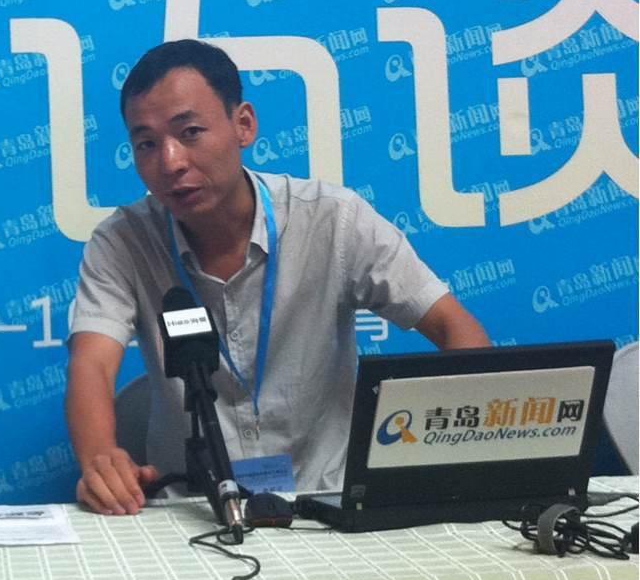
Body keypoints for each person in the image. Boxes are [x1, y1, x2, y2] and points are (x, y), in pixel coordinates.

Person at [66, 39, 490, 515]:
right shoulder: (123, 242)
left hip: (326, 503)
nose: (170, 162)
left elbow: (454, 327)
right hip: (193, 512)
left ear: (243, 125)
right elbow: (92, 364)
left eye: (190, 132)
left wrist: (462, 463)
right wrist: (100, 460)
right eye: (146, 144)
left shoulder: (334, 220)